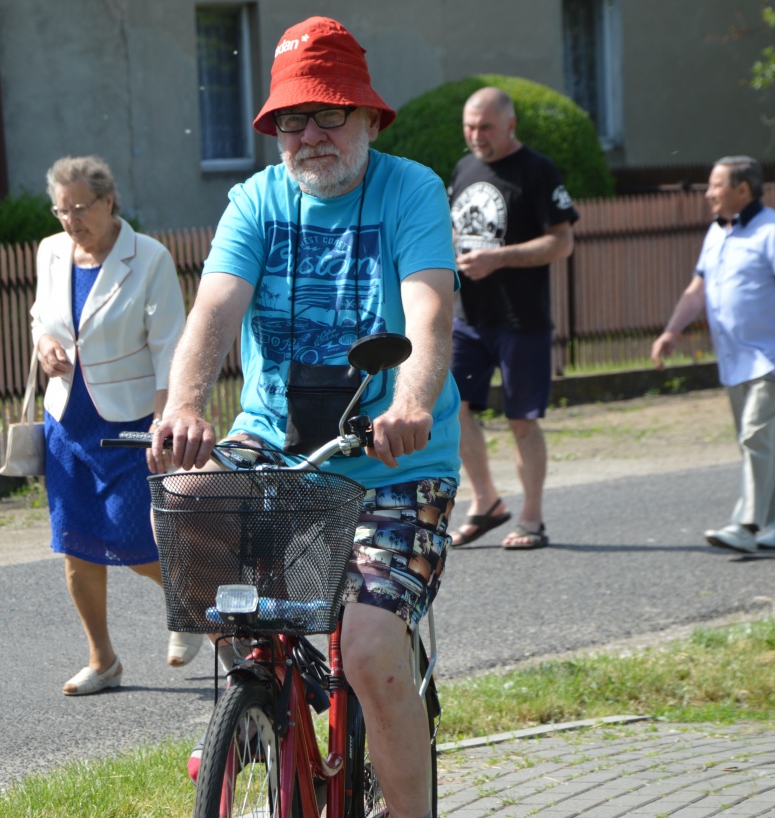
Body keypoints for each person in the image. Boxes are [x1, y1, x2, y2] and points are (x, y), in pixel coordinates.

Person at [153, 17, 460, 818]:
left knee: (368, 651)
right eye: (293, 119)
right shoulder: (255, 199)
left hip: (394, 461)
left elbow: (429, 315)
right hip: (277, 446)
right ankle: (258, 698)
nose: (311, 135)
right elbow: (214, 312)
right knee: (186, 500)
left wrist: (413, 401)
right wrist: (186, 405)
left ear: (369, 119)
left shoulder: (412, 190)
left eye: (330, 114)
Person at [31, 155, 202, 696]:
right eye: (61, 210)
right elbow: (41, 317)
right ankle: (102, 659)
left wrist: (164, 420)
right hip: (66, 419)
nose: (70, 221)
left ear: (108, 201)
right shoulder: (51, 251)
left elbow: (169, 347)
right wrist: (45, 348)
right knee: (76, 544)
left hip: (130, 422)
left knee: (135, 539)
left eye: (80, 208)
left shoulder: (147, 257)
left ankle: (195, 603)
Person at [651, 156, 775, 554]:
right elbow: (697, 290)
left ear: (743, 189)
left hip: (772, 358)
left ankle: (745, 524)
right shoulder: (717, 233)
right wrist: (672, 330)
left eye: (716, 185)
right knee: (758, 444)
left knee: (755, 437)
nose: (708, 193)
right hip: (734, 359)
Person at [446, 87, 578, 550]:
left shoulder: (537, 171)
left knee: (521, 420)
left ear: (510, 125)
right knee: (453, 408)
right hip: (468, 316)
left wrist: (497, 259)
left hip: (521, 320)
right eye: (469, 126)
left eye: (485, 127)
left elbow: (561, 243)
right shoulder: (464, 169)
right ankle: (485, 503)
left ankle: (533, 520)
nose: (476, 135)